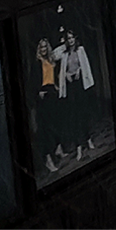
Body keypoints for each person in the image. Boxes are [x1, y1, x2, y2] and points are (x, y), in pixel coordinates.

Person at [56, 30, 96, 161]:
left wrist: (79, 70)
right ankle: (79, 146)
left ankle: (88, 139)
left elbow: (85, 65)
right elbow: (55, 57)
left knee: (84, 113)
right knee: (75, 116)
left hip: (81, 85)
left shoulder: (80, 50)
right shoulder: (64, 53)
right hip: (71, 87)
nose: (71, 40)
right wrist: (67, 74)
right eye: (68, 39)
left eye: (72, 38)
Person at [35, 38, 65, 173]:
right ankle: (48, 159)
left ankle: (58, 147)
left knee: (57, 122)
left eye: (45, 47)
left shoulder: (51, 60)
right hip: (43, 94)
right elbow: (34, 80)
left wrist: (57, 86)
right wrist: (39, 91)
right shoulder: (37, 63)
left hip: (52, 91)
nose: (43, 50)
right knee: (46, 127)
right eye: (41, 48)